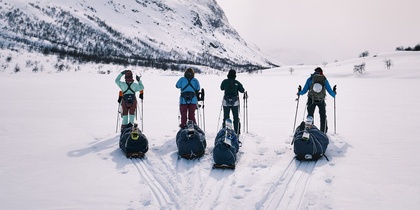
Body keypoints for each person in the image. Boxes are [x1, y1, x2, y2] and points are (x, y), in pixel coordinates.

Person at [298, 67, 336, 133]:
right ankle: (323, 131)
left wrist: (299, 92)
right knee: (322, 115)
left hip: (311, 99)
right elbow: (330, 91)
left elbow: (304, 91)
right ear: (321, 72)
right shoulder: (324, 79)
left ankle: (310, 131)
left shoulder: (310, 79)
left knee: (310, 115)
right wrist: (334, 93)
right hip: (321, 100)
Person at [220, 70, 245, 134]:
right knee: (236, 117)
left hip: (226, 101)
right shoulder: (237, 82)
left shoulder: (225, 81)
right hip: (235, 101)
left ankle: (225, 132)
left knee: (226, 117)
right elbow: (242, 90)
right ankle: (237, 132)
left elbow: (221, 88)